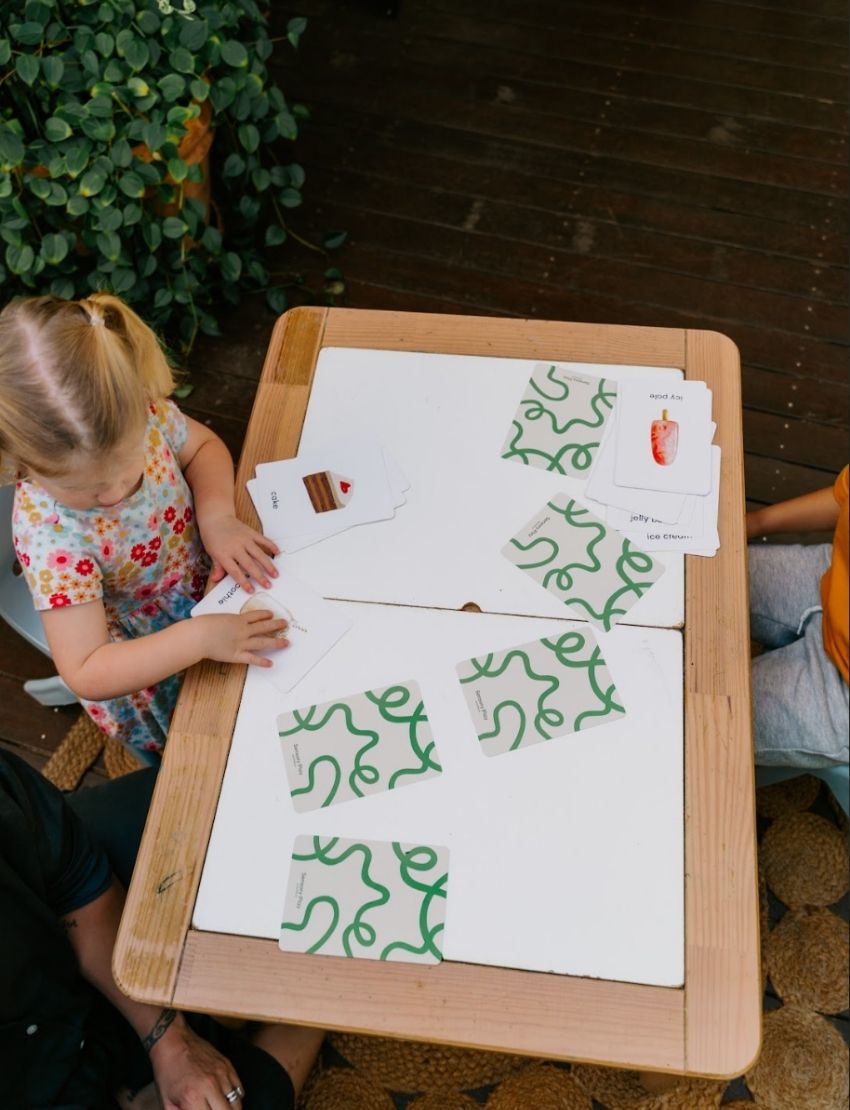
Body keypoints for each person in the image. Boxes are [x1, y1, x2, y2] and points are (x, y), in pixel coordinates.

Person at [0, 293, 289, 764]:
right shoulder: (51, 538)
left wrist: (216, 517)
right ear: (20, 466)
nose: (115, 493)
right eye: (89, 489)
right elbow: (86, 669)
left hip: (211, 588)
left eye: (127, 464)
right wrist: (197, 640)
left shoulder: (138, 413)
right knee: (198, 755)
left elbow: (202, 449)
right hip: (148, 661)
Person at [0, 749, 324, 1108]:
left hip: (68, 925)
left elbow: (74, 881)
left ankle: (295, 982)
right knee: (244, 1096)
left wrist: (167, 1039)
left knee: (240, 797)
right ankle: (323, 990)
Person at [745, 465, 848, 767]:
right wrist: (751, 524)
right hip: (830, 575)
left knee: (688, 716)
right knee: (684, 572)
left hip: (840, 692)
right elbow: (841, 497)